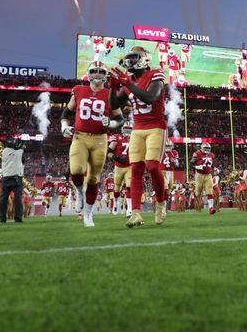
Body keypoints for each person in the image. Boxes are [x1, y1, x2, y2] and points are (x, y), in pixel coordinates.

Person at [110, 46, 167, 228]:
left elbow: (151, 96)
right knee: (136, 169)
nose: (130, 62)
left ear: (144, 59)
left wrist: (128, 84)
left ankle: (160, 202)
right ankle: (135, 213)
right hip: (137, 129)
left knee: (152, 166)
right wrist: (113, 87)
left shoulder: (155, 74)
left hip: (156, 127)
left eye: (134, 58)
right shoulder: (129, 82)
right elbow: (114, 104)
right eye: (129, 58)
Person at [61, 60, 123, 227]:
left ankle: (88, 214)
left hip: (100, 139)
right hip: (80, 137)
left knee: (94, 179)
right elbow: (66, 113)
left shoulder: (110, 95)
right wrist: (63, 126)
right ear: (88, 73)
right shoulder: (79, 90)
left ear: (105, 75)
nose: (97, 74)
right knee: (76, 170)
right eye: (94, 70)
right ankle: (79, 192)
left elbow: (120, 119)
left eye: (101, 71)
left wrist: (110, 123)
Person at [0, 136, 25, 223]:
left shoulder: (3, 152)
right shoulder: (18, 152)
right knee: (18, 199)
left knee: (3, 199)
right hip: (16, 178)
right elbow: (22, 149)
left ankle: (2, 218)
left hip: (5, 177)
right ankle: (18, 218)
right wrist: (20, 144)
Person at [108, 123, 132, 217]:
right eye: (126, 129)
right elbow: (109, 152)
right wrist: (117, 157)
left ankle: (129, 209)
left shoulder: (135, 139)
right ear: (122, 129)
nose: (128, 131)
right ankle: (116, 203)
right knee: (117, 187)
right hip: (119, 166)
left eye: (129, 129)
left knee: (129, 186)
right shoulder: (117, 137)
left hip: (130, 166)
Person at [190, 143, 216, 214]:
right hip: (199, 174)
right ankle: (192, 199)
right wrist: (196, 167)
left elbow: (212, 164)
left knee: (209, 191)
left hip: (208, 175)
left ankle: (211, 208)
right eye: (205, 148)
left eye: (208, 148)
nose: (207, 150)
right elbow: (191, 163)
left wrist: (215, 168)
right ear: (201, 148)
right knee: (198, 192)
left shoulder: (211, 155)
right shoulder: (197, 154)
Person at [161, 140, 179, 208]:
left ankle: (165, 200)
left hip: (171, 171)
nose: (168, 148)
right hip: (162, 171)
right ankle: (163, 203)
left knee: (170, 187)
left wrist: (175, 161)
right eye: (166, 146)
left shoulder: (174, 152)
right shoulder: (160, 152)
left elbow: (177, 165)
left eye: (169, 146)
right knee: (165, 187)